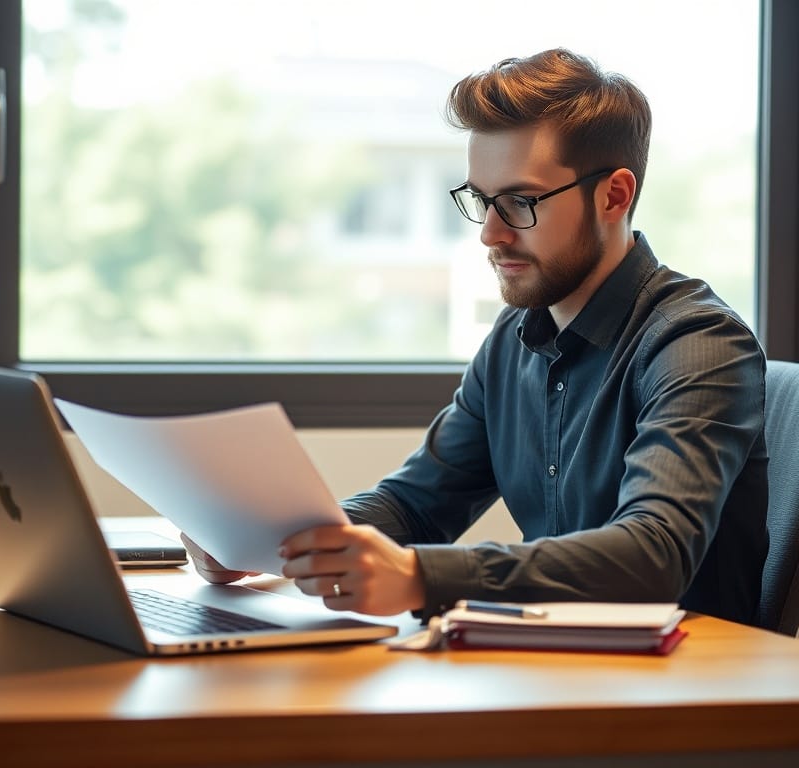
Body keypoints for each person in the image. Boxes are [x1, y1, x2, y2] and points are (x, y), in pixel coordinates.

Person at [183, 48, 768, 626]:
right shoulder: (516, 335)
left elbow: (652, 557)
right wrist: (278, 542)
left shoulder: (698, 344)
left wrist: (418, 576)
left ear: (614, 195)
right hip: (553, 667)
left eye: (519, 202)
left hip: (682, 691)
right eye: (481, 200)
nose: (489, 234)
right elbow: (417, 502)